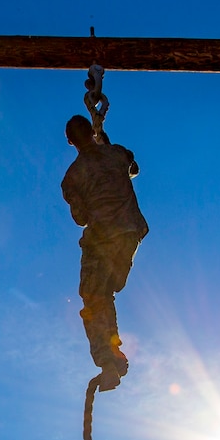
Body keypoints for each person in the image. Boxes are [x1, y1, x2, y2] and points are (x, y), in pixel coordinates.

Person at [61, 114, 149, 391]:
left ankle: (107, 357)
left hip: (102, 239)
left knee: (94, 298)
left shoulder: (72, 177)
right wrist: (107, 147)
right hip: (129, 236)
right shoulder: (117, 153)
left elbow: (80, 217)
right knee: (105, 293)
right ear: (92, 130)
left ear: (69, 141)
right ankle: (113, 353)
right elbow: (132, 169)